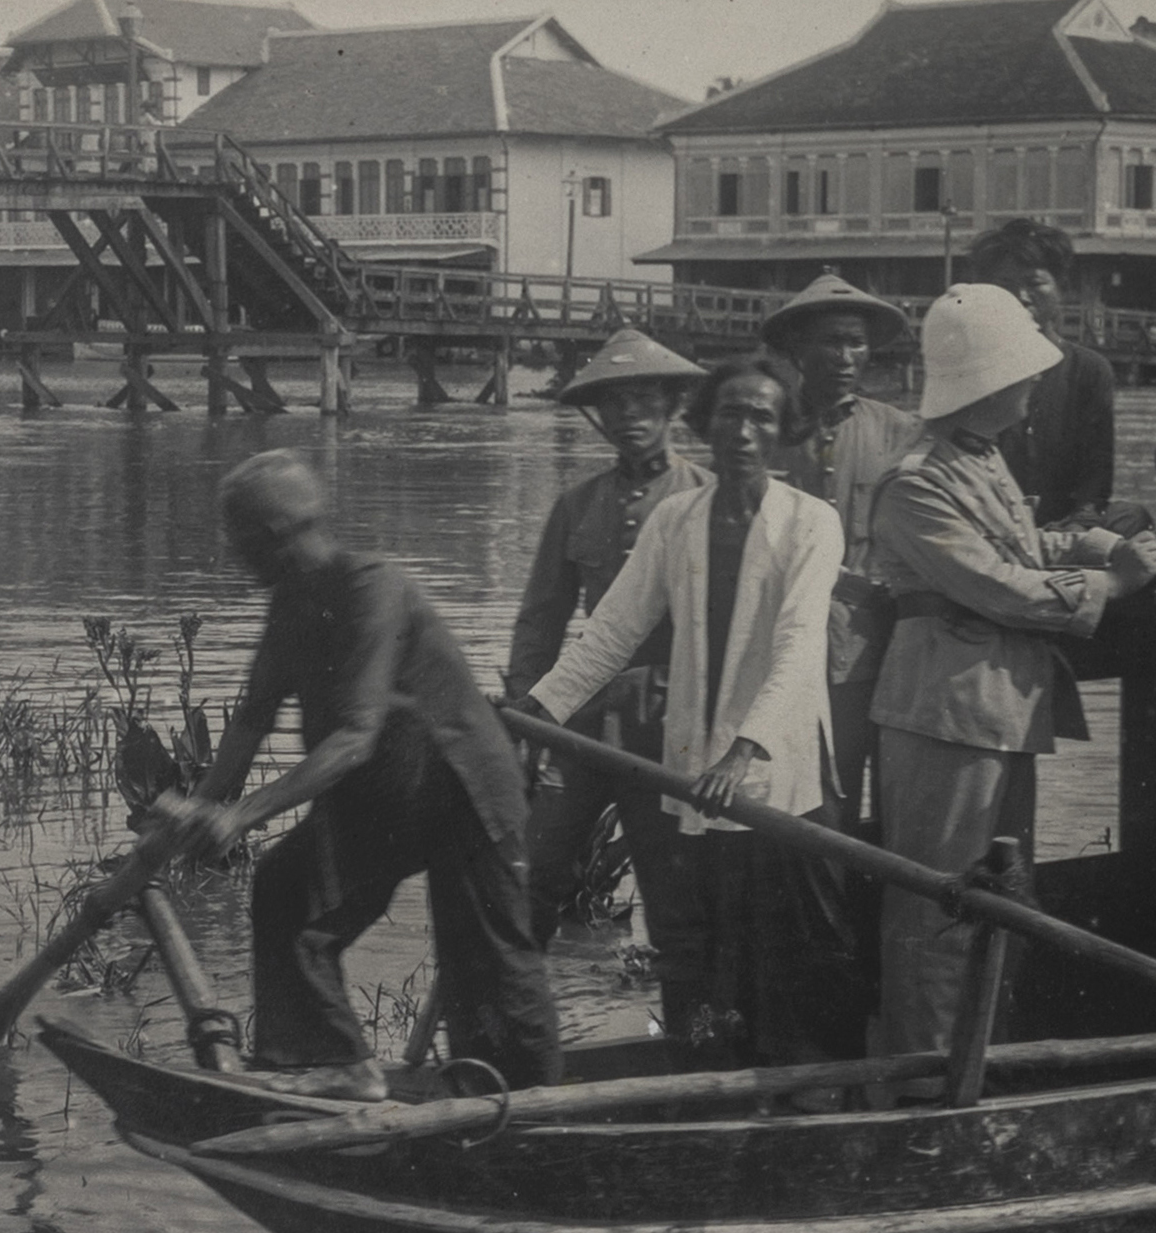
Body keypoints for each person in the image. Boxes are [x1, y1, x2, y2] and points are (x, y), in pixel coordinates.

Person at [162, 451, 561, 1100]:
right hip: (389, 789)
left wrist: (239, 815)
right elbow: (251, 719)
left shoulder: (371, 586)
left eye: (236, 541)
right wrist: (197, 807)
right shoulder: (288, 602)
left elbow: (352, 736)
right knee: (288, 889)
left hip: (464, 785)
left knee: (490, 962)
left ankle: (536, 1112)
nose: (232, 556)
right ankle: (332, 1062)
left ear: (272, 537)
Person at [513, 356, 865, 1080]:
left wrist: (745, 750)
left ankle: (808, 1089)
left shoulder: (810, 521)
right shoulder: (677, 518)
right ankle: (706, 1079)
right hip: (692, 764)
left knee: (795, 937)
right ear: (705, 422)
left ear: (783, 430)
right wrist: (533, 710)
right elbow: (612, 629)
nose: (742, 430)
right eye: (730, 413)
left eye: (761, 416)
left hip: (776, 769)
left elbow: (800, 643)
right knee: (701, 937)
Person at [867, 285, 1156, 1099]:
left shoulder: (980, 457)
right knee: (936, 906)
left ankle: (982, 1064)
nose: (1037, 383)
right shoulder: (911, 482)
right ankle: (926, 1079)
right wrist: (1113, 579)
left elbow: (1028, 540)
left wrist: (1113, 538)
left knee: (1003, 897)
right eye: (1024, 370)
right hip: (945, 712)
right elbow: (1000, 586)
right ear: (985, 381)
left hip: (1002, 705)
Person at [504, 329, 711, 1029]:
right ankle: (512, 1040)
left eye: (646, 400)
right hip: (584, 719)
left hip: (671, 722)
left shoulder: (706, 498)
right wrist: (524, 723)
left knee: (676, 891)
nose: (631, 416)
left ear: (674, 405)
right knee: (531, 876)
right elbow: (540, 621)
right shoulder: (577, 504)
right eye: (616, 404)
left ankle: (688, 1044)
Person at [758, 270, 926, 824]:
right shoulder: (764, 429)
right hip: (784, 636)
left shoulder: (901, 431)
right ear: (798, 348)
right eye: (830, 340)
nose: (845, 355)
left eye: (856, 341)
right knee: (811, 796)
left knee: (895, 794)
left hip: (877, 638)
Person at [965, 219, 1151, 533]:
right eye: (1005, 286)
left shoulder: (1089, 370)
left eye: (1035, 283)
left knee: (1134, 516)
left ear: (1060, 287)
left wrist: (1078, 528)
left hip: (1065, 527)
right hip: (994, 527)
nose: (1021, 296)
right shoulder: (972, 366)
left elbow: (1095, 483)